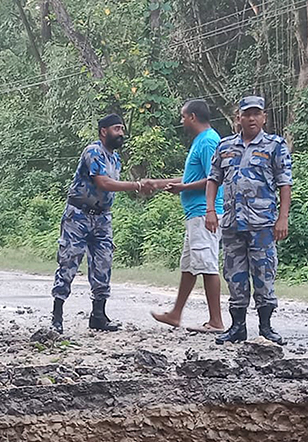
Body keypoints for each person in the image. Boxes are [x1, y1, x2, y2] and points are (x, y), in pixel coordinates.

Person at [50, 113, 154, 333]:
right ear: (103, 131)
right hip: (78, 215)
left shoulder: (115, 158)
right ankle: (57, 315)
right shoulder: (93, 151)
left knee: (103, 263)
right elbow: (104, 183)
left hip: (102, 217)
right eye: (117, 129)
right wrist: (136, 185)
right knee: (69, 262)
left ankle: (98, 315)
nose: (121, 133)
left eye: (122, 129)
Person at [206, 96, 292, 345]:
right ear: (238, 117)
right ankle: (238, 327)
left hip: (263, 223)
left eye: (256, 114)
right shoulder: (225, 146)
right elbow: (213, 179)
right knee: (235, 276)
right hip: (233, 223)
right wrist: (211, 211)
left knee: (264, 275)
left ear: (264, 117)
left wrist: (282, 217)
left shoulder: (275, 146)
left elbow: (284, 183)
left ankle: (266, 328)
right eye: (247, 114)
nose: (251, 118)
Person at [150, 99, 226, 332]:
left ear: (193, 117)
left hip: (205, 213)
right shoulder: (200, 141)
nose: (182, 121)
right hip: (195, 213)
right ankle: (175, 313)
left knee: (207, 264)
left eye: (183, 116)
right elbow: (189, 178)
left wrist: (182, 189)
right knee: (190, 265)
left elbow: (213, 177)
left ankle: (216, 321)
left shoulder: (208, 142)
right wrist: (157, 183)